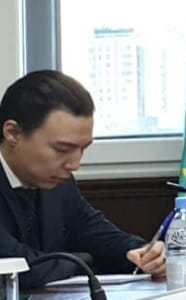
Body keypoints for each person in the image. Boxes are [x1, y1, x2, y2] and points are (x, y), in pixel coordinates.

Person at [0, 70, 166, 287]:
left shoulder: (56, 181)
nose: (74, 164)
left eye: (83, 149)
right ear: (13, 133)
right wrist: (85, 261)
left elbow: (94, 233)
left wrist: (142, 253)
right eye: (62, 149)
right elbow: (18, 267)